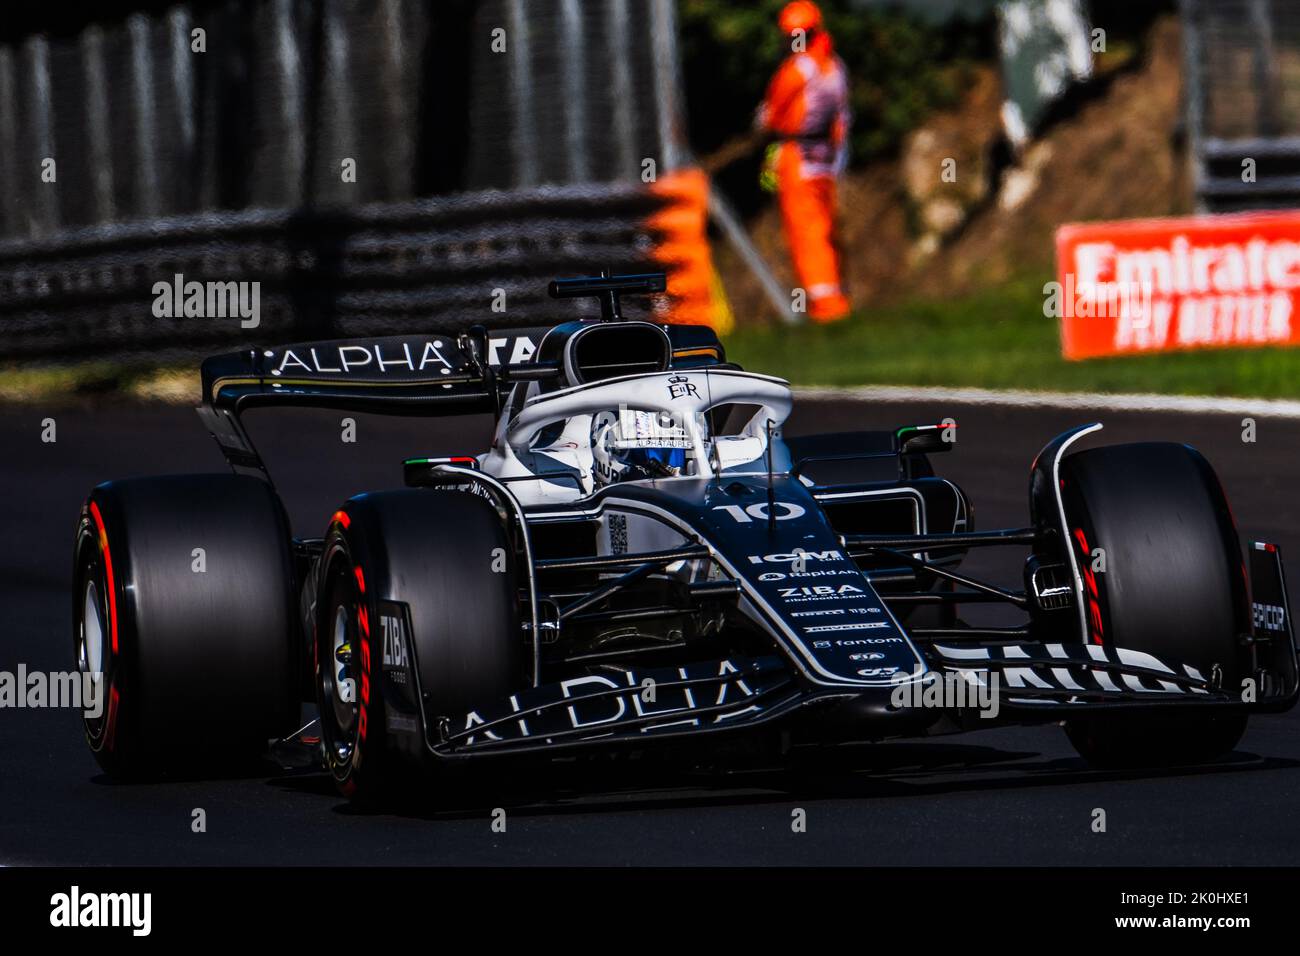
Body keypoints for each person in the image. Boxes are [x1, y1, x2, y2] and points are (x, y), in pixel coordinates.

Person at [755, 0, 852, 323]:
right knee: (824, 229)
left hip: (797, 157)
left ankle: (825, 307)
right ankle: (834, 296)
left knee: (806, 231)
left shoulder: (796, 71)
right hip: (827, 158)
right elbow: (841, 119)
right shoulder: (835, 68)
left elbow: (770, 116)